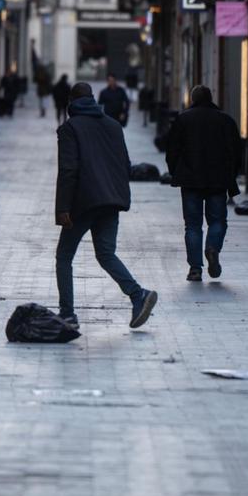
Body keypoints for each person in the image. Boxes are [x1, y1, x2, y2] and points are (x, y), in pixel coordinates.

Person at [55, 82, 158, 329]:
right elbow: (125, 165)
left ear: (71, 101)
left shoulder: (69, 129)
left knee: (64, 257)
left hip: (83, 203)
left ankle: (67, 314)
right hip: (110, 201)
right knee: (106, 254)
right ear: (92, 99)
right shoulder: (113, 125)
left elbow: (69, 170)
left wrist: (63, 209)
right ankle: (137, 294)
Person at [165, 86, 243, 281]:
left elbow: (172, 151)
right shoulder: (225, 121)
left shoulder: (183, 120)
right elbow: (236, 152)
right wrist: (231, 175)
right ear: (211, 98)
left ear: (193, 99)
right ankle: (212, 248)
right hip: (218, 181)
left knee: (192, 225)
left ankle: (195, 269)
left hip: (190, 181)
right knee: (217, 221)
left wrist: (177, 173)